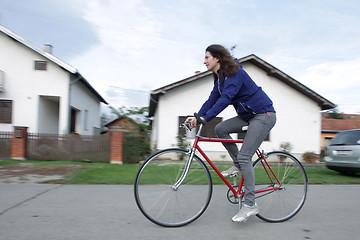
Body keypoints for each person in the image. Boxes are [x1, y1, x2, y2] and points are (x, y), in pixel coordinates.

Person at [185, 44, 276, 223]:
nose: (204, 62)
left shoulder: (235, 73)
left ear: (217, 58)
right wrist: (197, 116)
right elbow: (212, 99)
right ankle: (239, 165)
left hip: (263, 115)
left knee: (245, 156)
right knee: (221, 129)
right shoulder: (219, 78)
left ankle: (250, 205)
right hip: (248, 116)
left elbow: (226, 99)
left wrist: (205, 119)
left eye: (206, 58)